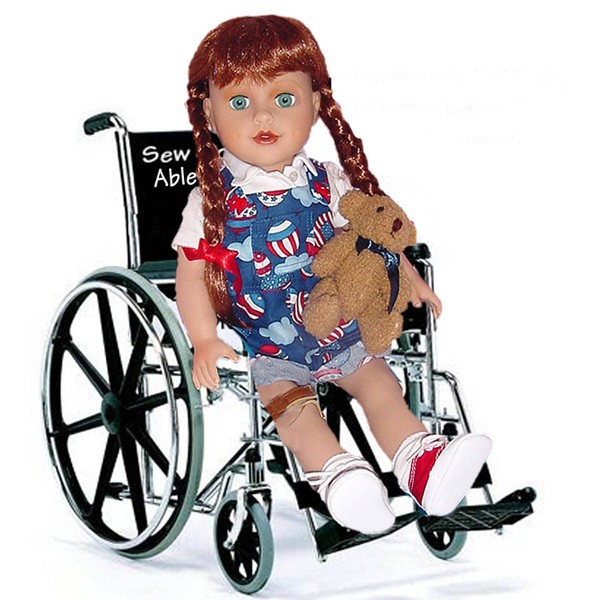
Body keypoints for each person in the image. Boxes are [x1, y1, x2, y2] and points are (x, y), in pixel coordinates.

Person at [172, 15, 491, 534]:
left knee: (381, 385)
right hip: (271, 343)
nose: (262, 116)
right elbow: (191, 274)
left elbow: (371, 237)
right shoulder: (211, 201)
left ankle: (423, 463)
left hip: (339, 326)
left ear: (317, 104)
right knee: (294, 411)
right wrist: (204, 339)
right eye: (239, 102)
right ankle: (342, 479)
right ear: (209, 111)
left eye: (283, 98)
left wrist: (406, 275)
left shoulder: (327, 179)